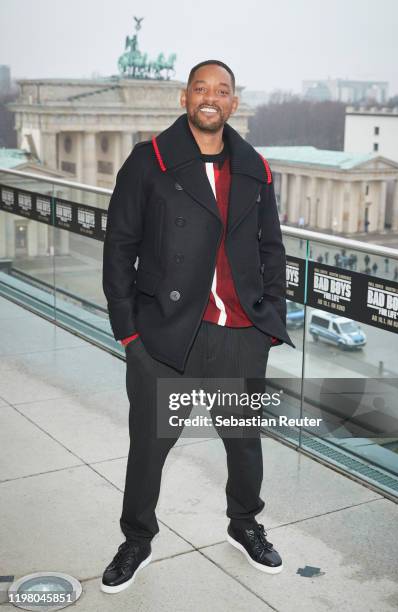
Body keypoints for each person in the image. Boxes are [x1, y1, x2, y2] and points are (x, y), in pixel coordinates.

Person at [101, 59, 294, 594]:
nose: (211, 98)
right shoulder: (149, 162)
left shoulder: (255, 166)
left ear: (234, 103)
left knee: (243, 441)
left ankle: (244, 523)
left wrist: (267, 322)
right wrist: (129, 334)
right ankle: (137, 538)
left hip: (237, 334)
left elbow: (271, 248)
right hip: (166, 336)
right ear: (185, 98)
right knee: (150, 446)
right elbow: (119, 249)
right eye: (201, 88)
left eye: (223, 90)